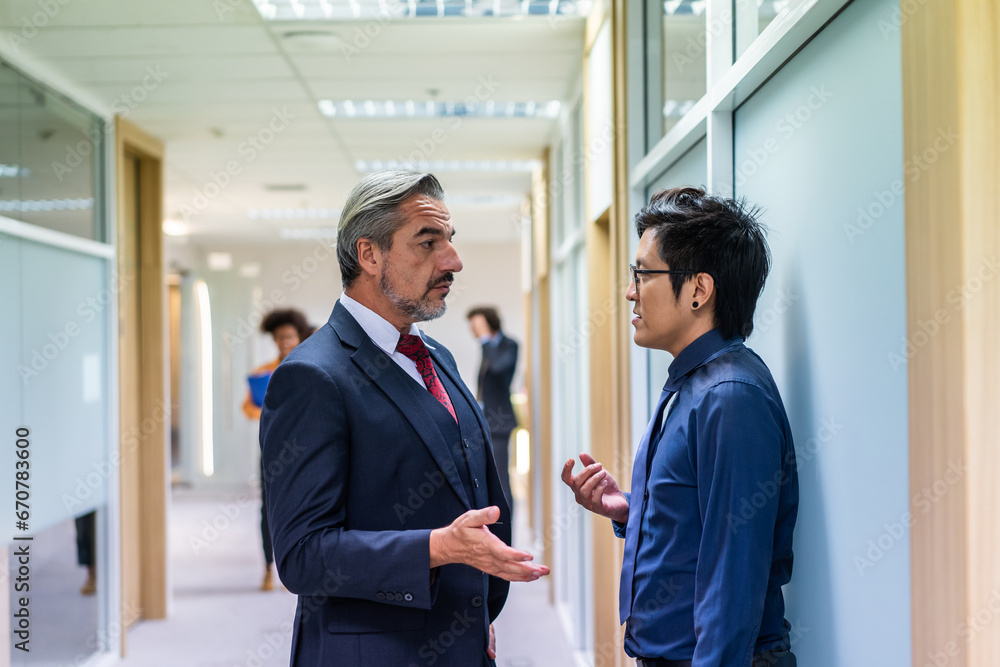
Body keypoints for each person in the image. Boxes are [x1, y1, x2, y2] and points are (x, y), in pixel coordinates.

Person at [259, 171, 549, 667]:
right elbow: (303, 556)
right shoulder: (311, 376)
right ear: (369, 255)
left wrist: (477, 615)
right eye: (427, 243)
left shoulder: (435, 354)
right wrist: (438, 548)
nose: (452, 261)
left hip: (460, 639)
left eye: (450, 241)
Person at [561, 187, 799, 667]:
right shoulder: (696, 383)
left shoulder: (729, 397)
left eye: (642, 273)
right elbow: (701, 525)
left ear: (698, 290)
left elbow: (733, 579)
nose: (630, 291)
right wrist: (631, 511)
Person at [242, 307, 311, 591]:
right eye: (281, 337)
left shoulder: (310, 365)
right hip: (273, 448)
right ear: (274, 339)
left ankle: (298, 566)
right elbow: (247, 407)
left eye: (290, 336)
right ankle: (269, 568)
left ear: (299, 337)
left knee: (304, 504)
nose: (286, 342)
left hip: (305, 447)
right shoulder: (263, 372)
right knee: (269, 508)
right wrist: (268, 410)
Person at [466, 306, 519, 505]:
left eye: (476, 325)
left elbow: (497, 369)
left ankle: (507, 530)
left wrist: (486, 339)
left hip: (499, 423)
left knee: (501, 480)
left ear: (489, 323)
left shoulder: (509, 345)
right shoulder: (487, 348)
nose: (473, 330)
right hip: (484, 421)